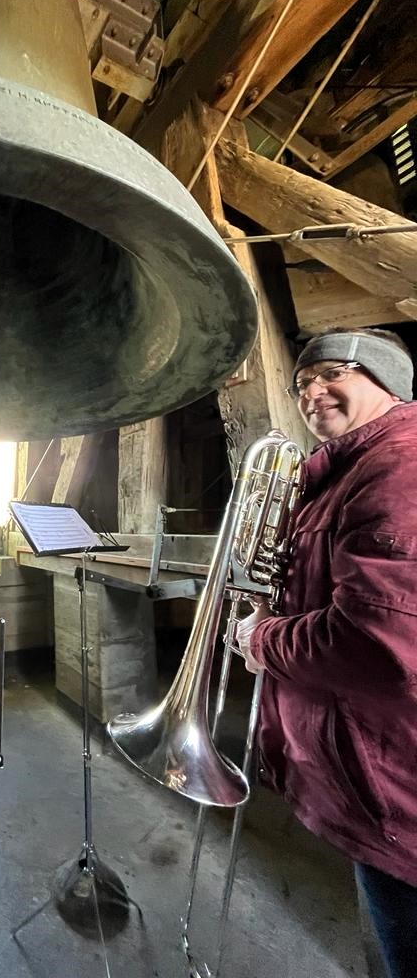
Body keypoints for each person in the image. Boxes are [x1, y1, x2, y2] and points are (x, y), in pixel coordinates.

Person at [235, 327, 417, 978]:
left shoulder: (400, 463)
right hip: (367, 773)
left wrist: (262, 637)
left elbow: (374, 644)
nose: (313, 392)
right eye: (303, 382)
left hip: (395, 785)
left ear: (388, 383)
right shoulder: (341, 470)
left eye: (334, 373)